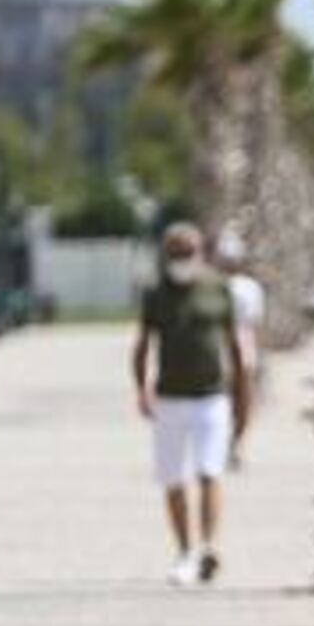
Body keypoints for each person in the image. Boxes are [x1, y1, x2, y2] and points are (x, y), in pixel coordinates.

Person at [132, 221, 248, 586]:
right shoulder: (156, 293)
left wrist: (243, 394)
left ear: (201, 254)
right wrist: (141, 389)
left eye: (187, 253)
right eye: (175, 253)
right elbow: (143, 344)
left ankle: (208, 546)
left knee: (210, 471)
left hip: (212, 397)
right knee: (173, 478)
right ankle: (185, 550)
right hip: (169, 398)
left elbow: (234, 345)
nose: (181, 260)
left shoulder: (218, 289)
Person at [213, 226, 266, 468]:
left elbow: (253, 325)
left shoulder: (246, 286)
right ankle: (230, 444)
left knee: (239, 401)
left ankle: (232, 444)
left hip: (238, 348)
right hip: (230, 349)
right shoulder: (215, 286)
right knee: (237, 401)